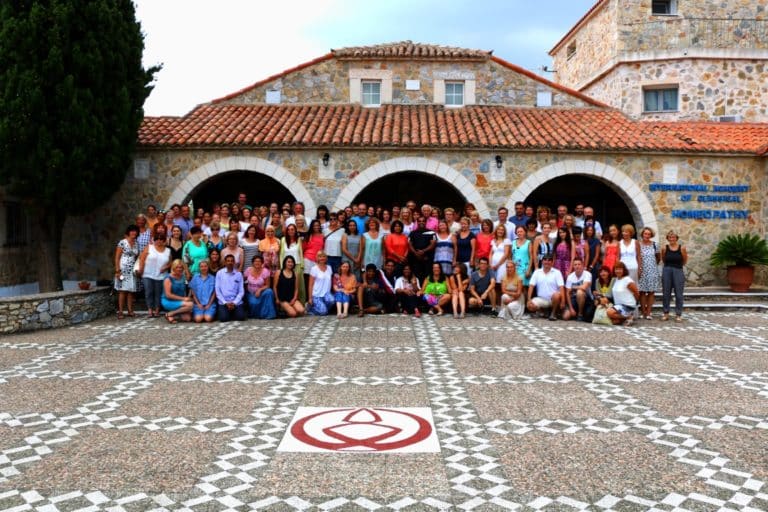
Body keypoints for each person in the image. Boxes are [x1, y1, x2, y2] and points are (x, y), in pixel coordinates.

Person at [137, 224, 171, 318]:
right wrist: (141, 269)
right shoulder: (149, 247)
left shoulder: (168, 251)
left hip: (161, 275)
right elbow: (142, 259)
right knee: (148, 292)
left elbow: (170, 263)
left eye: (161, 239)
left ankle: (157, 310)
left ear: (164, 241)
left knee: (158, 293)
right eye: (157, 239)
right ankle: (150, 310)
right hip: (147, 274)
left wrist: (165, 267)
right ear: (154, 240)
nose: (159, 241)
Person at [527, 255, 565, 321]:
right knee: (530, 306)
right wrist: (529, 299)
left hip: (553, 299)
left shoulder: (557, 272)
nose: (547, 262)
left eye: (549, 260)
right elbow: (531, 286)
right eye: (545, 260)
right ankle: (543, 311)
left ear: (552, 262)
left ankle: (553, 313)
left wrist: (563, 301)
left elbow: (561, 287)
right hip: (541, 299)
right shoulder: (537, 272)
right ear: (542, 261)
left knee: (556, 295)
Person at [661, 230, 687, 323]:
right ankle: (666, 313)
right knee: (666, 293)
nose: (672, 239)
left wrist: (677, 267)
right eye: (670, 237)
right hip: (667, 270)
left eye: (674, 237)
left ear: (677, 238)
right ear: (667, 238)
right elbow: (663, 259)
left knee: (679, 294)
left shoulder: (682, 248)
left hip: (678, 270)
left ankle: (678, 314)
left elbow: (684, 260)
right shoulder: (664, 248)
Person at [114, 224, 140, 319]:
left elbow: (137, 256)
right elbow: (117, 257)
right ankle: (120, 311)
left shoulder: (136, 243)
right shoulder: (122, 242)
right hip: (123, 268)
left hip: (132, 269)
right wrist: (117, 270)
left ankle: (130, 311)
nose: (134, 232)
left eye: (135, 231)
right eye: (132, 231)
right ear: (128, 232)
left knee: (131, 291)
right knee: (122, 290)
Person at [606, 261, 639, 326]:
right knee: (614, 321)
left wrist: (635, 303)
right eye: (616, 269)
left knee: (609, 312)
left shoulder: (627, 280)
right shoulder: (616, 280)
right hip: (618, 305)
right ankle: (624, 319)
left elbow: (636, 293)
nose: (618, 271)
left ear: (624, 270)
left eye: (620, 269)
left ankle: (628, 316)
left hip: (627, 305)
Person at [638, 227, 661, 320]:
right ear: (642, 234)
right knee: (642, 292)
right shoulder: (638, 244)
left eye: (648, 234)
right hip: (642, 270)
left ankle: (648, 312)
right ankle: (643, 312)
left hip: (652, 271)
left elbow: (658, 257)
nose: (647, 235)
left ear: (651, 235)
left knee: (651, 292)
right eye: (645, 234)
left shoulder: (655, 245)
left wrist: (652, 265)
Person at [215, 254, 246, 322]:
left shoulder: (239, 274)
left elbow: (241, 291)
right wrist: (225, 303)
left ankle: (232, 311)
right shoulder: (219, 273)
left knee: (241, 317)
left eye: (232, 261)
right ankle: (228, 312)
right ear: (225, 262)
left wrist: (234, 302)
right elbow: (217, 290)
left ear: (234, 262)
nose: (230, 262)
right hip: (224, 301)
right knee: (223, 319)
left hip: (236, 301)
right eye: (228, 261)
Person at [244, 255, 276, 319]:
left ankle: (268, 315)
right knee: (253, 303)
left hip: (262, 292)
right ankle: (257, 315)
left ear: (262, 263)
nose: (257, 263)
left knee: (269, 292)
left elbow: (268, 285)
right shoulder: (248, 270)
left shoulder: (265, 271)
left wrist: (260, 290)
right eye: (255, 261)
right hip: (251, 293)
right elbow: (243, 280)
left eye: (259, 261)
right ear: (252, 263)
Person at [161, 259, 193, 323]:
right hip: (168, 301)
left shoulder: (183, 276)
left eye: (181, 267)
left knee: (187, 319)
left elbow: (189, 285)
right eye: (177, 267)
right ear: (173, 267)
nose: (179, 269)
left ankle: (173, 314)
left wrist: (188, 297)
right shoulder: (168, 278)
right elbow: (168, 295)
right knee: (191, 305)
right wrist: (184, 299)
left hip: (180, 300)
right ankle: (170, 314)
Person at [280, 223, 305, 302]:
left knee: (299, 286)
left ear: (295, 231)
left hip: (297, 265)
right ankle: (287, 303)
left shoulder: (299, 240)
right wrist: (281, 267)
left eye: (292, 229)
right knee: (287, 286)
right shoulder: (283, 240)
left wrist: (302, 265)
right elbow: (281, 254)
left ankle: (301, 302)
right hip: (286, 266)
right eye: (289, 229)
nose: (290, 231)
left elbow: (301, 252)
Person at [408, 215, 437, 281]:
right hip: (415, 259)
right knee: (417, 276)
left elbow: (433, 244)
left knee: (427, 276)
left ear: (426, 222)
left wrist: (423, 251)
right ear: (417, 222)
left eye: (423, 221)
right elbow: (410, 244)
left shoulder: (431, 232)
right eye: (419, 221)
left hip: (427, 259)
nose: (421, 222)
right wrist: (416, 253)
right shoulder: (412, 233)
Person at [489, 224, 511, 302]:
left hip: (502, 265)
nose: (500, 231)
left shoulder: (506, 240)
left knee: (501, 283)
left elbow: (506, 254)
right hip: (493, 265)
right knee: (494, 284)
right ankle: (496, 303)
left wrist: (497, 265)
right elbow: (491, 253)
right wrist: (490, 263)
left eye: (502, 230)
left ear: (504, 231)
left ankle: (502, 303)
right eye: (499, 229)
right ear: (496, 230)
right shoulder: (493, 241)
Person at [303, 219, 326, 294]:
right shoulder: (308, 236)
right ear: (311, 226)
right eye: (314, 225)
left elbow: (323, 248)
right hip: (308, 259)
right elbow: (303, 248)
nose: (316, 227)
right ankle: (307, 298)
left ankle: (314, 296)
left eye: (317, 225)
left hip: (318, 260)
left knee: (316, 279)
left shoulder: (323, 236)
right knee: (307, 278)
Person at [511, 225, 533, 292]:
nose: (519, 233)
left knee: (524, 288)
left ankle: (525, 302)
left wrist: (529, 269)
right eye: (518, 232)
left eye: (521, 231)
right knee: (515, 287)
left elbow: (531, 256)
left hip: (525, 268)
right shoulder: (513, 242)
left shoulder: (528, 242)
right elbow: (510, 255)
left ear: (525, 232)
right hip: (515, 269)